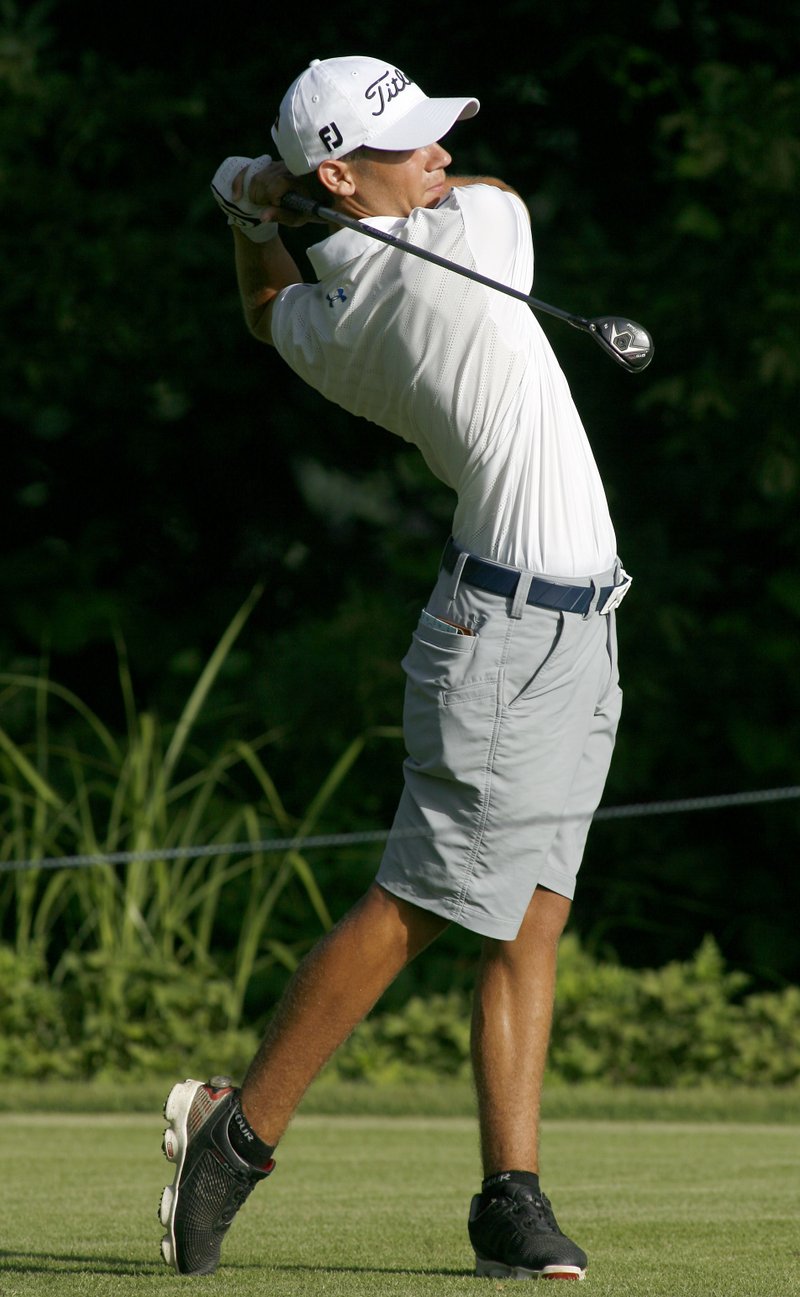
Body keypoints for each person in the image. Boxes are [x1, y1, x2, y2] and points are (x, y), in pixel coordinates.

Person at [158, 53, 631, 1282]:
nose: (438, 154)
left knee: (528, 913)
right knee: (422, 900)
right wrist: (281, 195)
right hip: (509, 638)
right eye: (409, 141)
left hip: (568, 628)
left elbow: (266, 312)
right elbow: (492, 186)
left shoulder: (336, 325)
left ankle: (507, 1200)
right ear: (342, 172)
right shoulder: (472, 243)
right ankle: (235, 1133)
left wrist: (251, 211)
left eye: (433, 135)